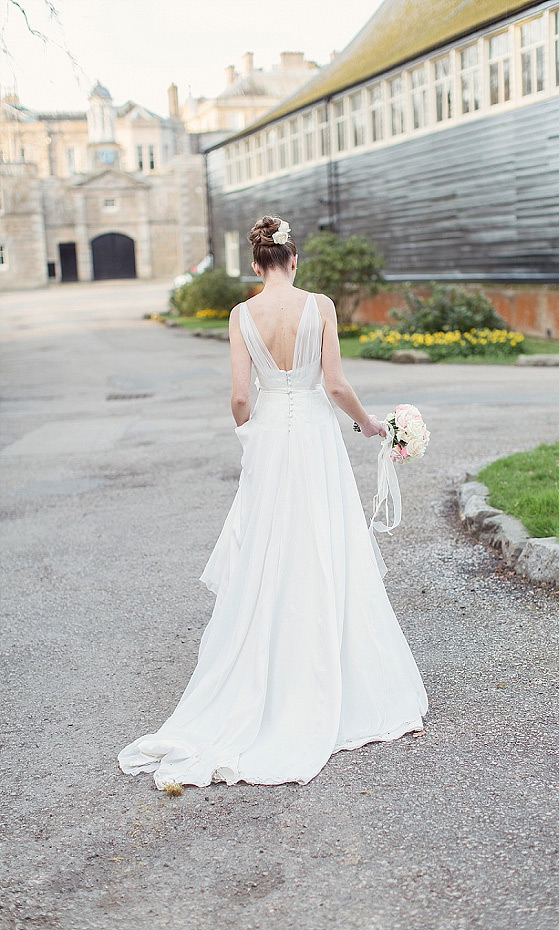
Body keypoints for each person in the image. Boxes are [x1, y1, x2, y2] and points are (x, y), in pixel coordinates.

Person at [117, 215, 428, 789]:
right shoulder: (322, 306)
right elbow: (333, 384)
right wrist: (367, 427)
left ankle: (262, 671)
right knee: (323, 541)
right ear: (294, 260)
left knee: (268, 547)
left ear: (256, 265)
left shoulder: (241, 315)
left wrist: (251, 435)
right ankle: (337, 677)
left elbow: (240, 396)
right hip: (314, 437)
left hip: (270, 439)